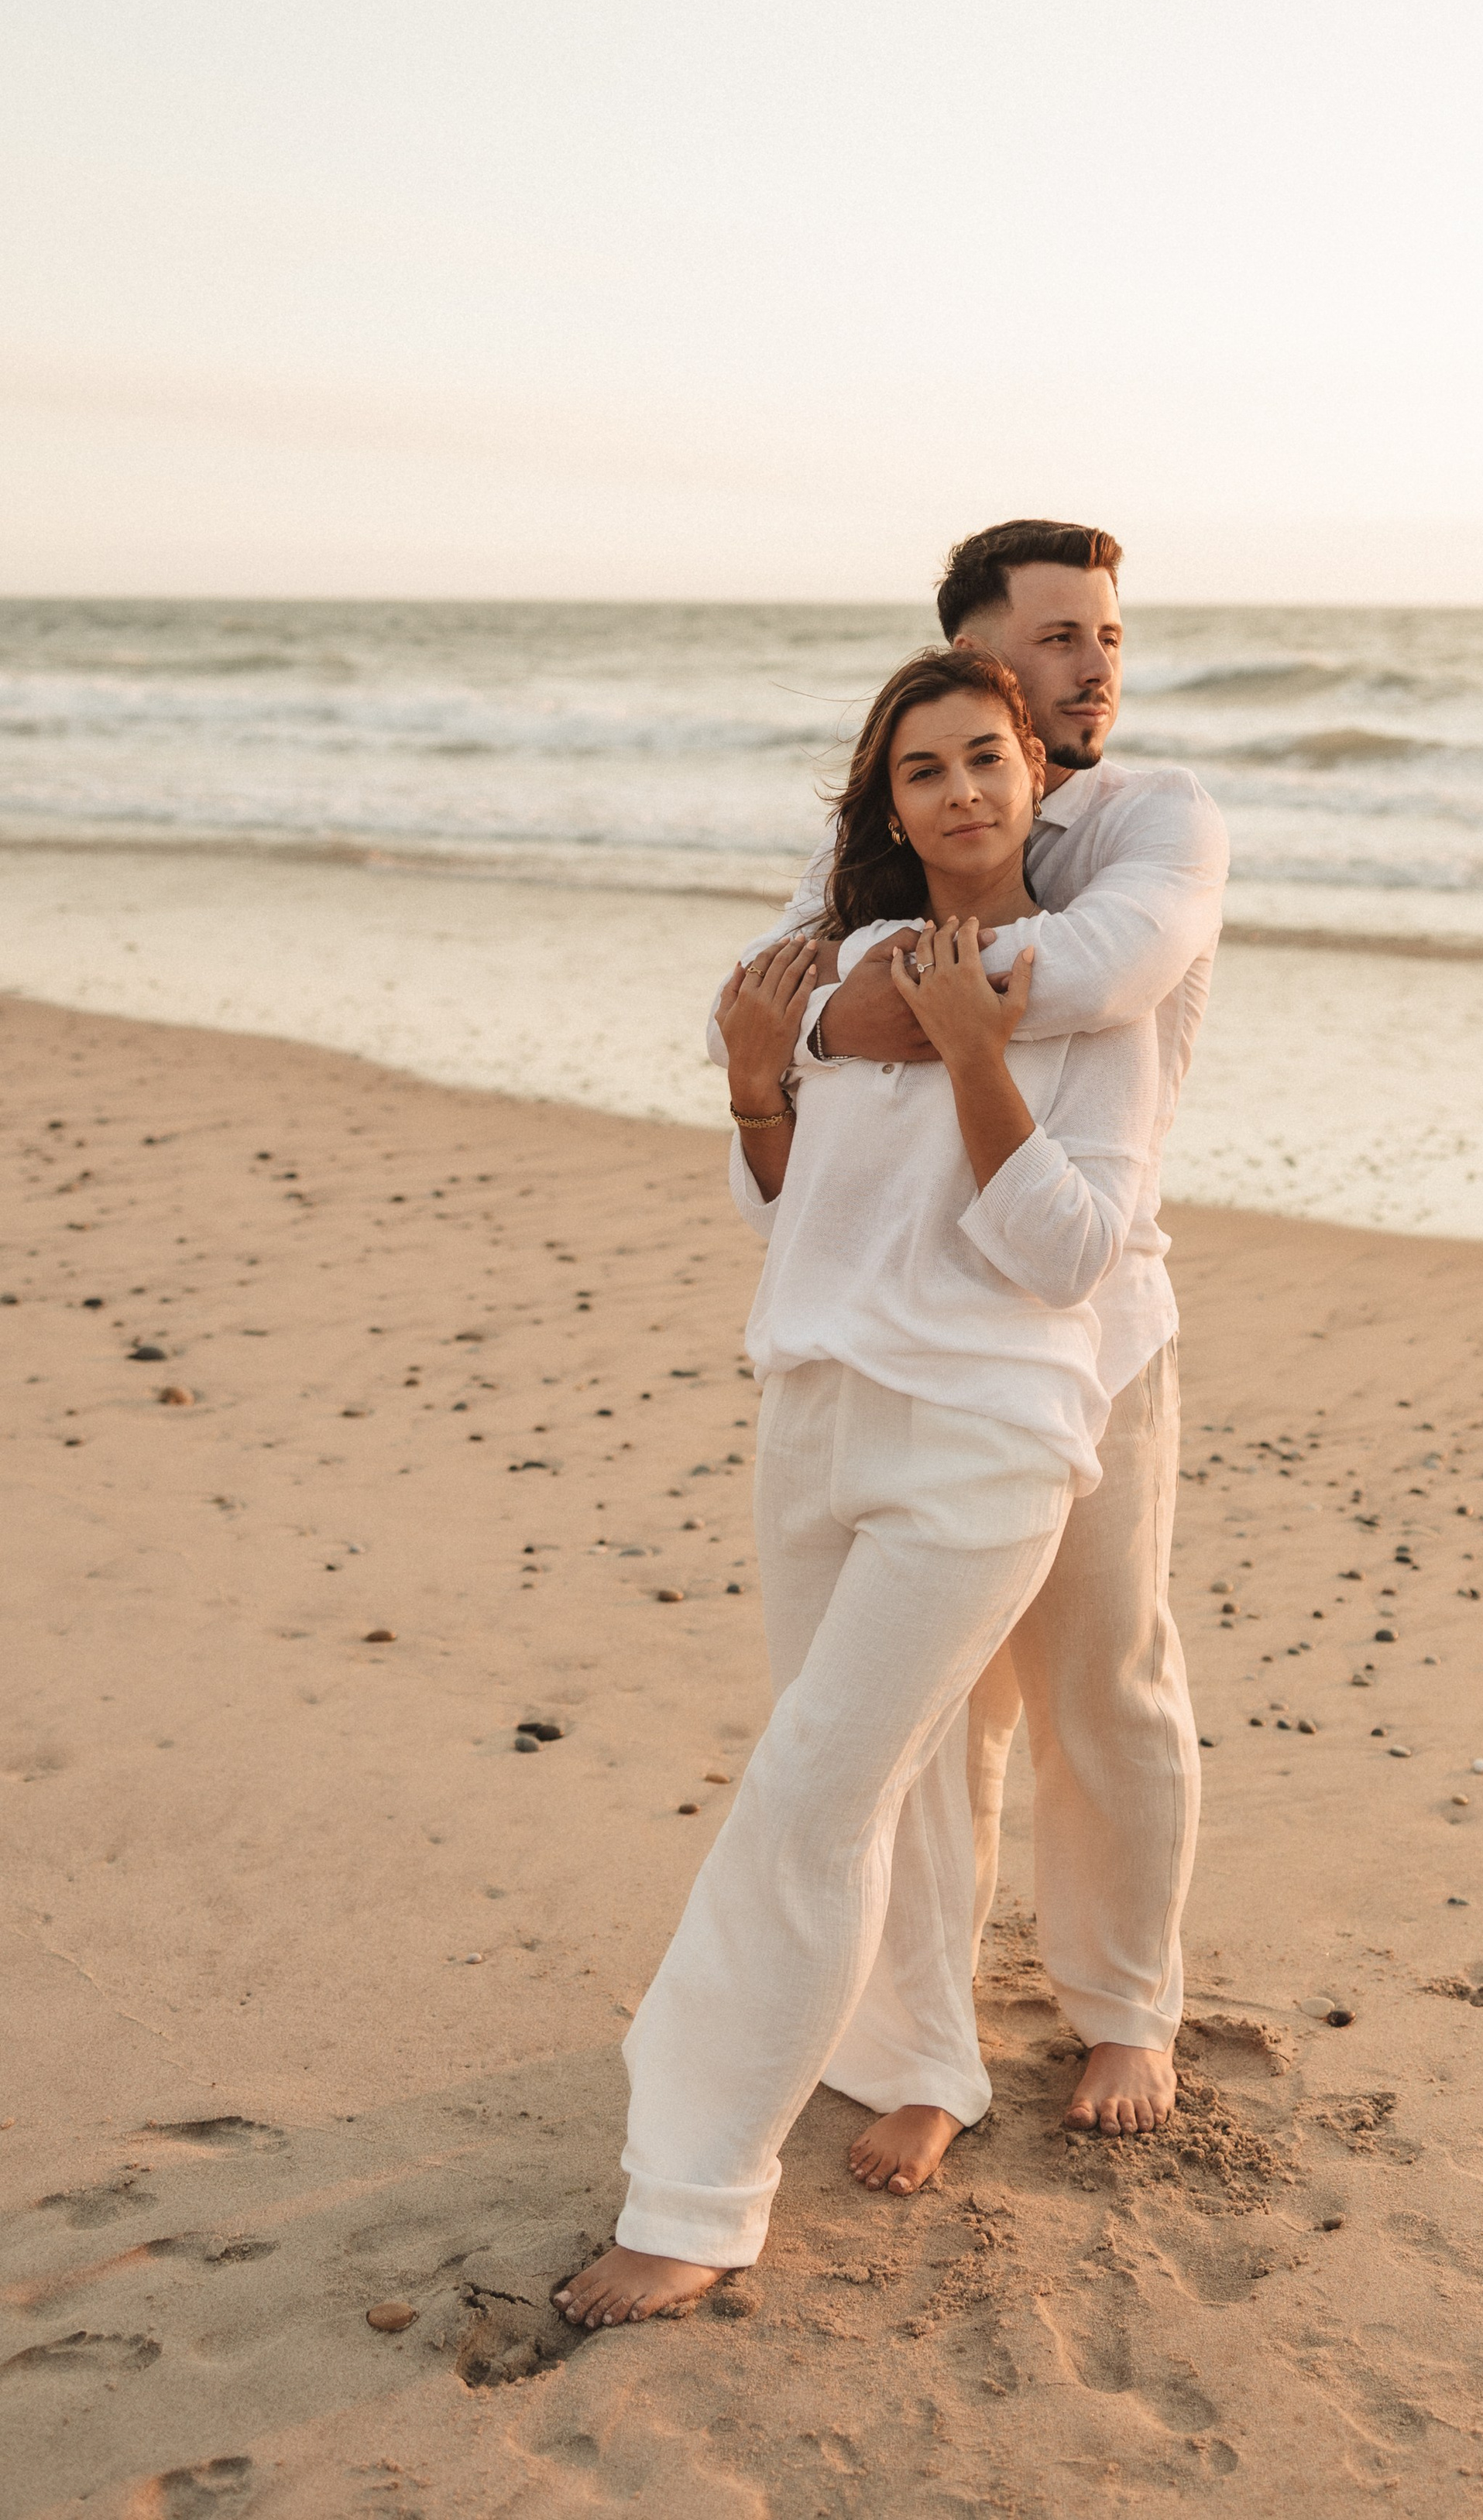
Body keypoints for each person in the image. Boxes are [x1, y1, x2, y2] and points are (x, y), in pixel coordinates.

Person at [555, 644, 1162, 2327]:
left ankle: (688, 2197)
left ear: (1037, 775)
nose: (961, 790)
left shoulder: (1081, 997)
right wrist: (761, 1078)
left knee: (808, 1793)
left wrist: (975, 1055)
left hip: (981, 1440)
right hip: (814, 1411)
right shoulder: (841, 962)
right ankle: (918, 2059)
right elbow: (785, 1215)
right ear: (884, 802)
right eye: (924, 769)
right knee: (864, 1788)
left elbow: (1065, 1259)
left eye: (987, 757)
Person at [714, 521, 1228, 2141]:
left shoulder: (1154, 814)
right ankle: (919, 2042)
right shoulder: (909, 803)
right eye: (1061, 638)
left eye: (1108, 635)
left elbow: (1088, 968)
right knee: (930, 1719)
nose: (1100, 666)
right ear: (980, 655)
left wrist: (842, 1011)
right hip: (913, 1333)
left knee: (1104, 1681)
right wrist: (810, 1018)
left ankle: (1119, 2007)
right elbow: (761, 987)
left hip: (1094, 1315)